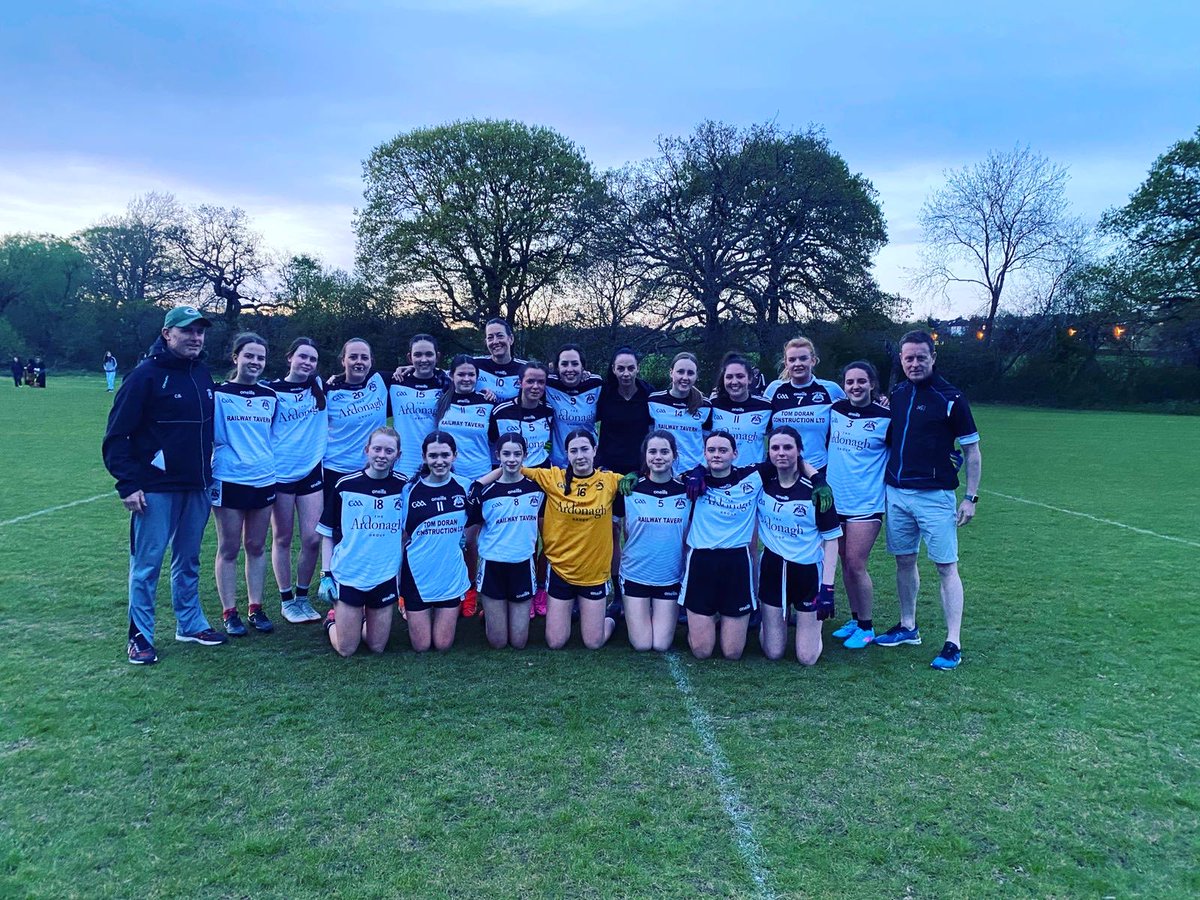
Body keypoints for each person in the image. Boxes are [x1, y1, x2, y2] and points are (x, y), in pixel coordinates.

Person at [102, 304, 228, 664]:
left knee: (188, 560)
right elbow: (116, 437)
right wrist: (128, 484)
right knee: (147, 564)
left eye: (200, 331)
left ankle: (189, 623)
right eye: (187, 331)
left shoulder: (202, 374)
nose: (195, 337)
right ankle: (139, 636)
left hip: (197, 485)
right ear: (167, 334)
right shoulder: (145, 376)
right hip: (155, 489)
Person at [875, 330, 982, 671]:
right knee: (904, 562)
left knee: (945, 566)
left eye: (921, 357)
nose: (915, 363)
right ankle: (908, 626)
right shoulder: (898, 394)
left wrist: (970, 497)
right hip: (897, 492)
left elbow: (972, 451)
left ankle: (953, 642)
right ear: (901, 360)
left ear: (933, 357)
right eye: (909, 358)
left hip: (935, 497)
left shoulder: (951, 397)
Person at [480, 429, 622, 650]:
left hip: (594, 573)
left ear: (595, 450)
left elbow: (645, 482)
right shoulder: (551, 477)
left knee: (593, 643)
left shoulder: (611, 481)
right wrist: (477, 486)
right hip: (560, 570)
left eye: (585, 449)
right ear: (566, 453)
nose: (580, 456)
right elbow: (510, 467)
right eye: (574, 451)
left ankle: (612, 615)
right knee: (555, 642)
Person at [756, 426, 843, 664]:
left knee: (807, 658)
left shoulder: (817, 491)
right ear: (769, 452)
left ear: (799, 451)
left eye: (788, 447)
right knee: (774, 653)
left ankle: (810, 627)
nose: (781, 453)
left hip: (807, 572)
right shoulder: (760, 482)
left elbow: (832, 539)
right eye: (775, 447)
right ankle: (773, 620)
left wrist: (828, 587)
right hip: (773, 569)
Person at [210, 333, 278, 637]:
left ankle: (255, 607)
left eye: (260, 358)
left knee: (256, 545)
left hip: (263, 478)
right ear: (235, 357)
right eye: (249, 355)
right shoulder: (218, 394)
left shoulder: (270, 396)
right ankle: (229, 611)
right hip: (229, 478)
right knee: (229, 547)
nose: (255, 362)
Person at [318, 427, 407, 657]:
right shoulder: (345, 485)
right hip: (349, 574)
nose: (382, 455)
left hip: (384, 576)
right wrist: (326, 574)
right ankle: (332, 621)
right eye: (377, 449)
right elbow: (327, 533)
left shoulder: (404, 487)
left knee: (377, 647)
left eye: (389, 450)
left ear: (398, 455)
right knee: (347, 649)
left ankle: (359, 617)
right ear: (366, 450)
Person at [317, 338, 389, 604]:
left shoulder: (381, 382)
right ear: (343, 360)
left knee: (367, 529)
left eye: (364, 357)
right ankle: (333, 582)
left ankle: (366, 584)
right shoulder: (328, 388)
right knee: (338, 531)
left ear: (371, 362)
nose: (359, 362)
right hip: (336, 470)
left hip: (370, 470)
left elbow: (421, 372)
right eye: (354, 357)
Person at [678, 431, 761, 660]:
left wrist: (817, 480)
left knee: (733, 653)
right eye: (711, 450)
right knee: (702, 652)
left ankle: (727, 617)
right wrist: (697, 470)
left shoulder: (753, 476)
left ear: (735, 454)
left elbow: (792, 461)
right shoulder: (691, 481)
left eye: (723, 450)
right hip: (701, 563)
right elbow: (657, 473)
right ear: (704, 453)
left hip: (736, 563)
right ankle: (704, 623)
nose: (717, 455)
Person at [827, 361, 890, 649]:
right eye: (850, 381)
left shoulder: (886, 418)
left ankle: (867, 626)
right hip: (835, 500)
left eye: (861, 381)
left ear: (872, 384)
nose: (855, 386)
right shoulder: (835, 411)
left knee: (856, 563)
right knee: (845, 564)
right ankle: (855, 618)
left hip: (866, 502)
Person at [267, 337, 327, 624]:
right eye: (302, 357)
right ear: (289, 357)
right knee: (282, 537)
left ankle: (303, 597)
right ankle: (286, 599)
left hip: (311, 472)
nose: (307, 363)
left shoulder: (321, 387)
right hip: (280, 476)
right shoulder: (272, 390)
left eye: (313, 360)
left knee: (313, 538)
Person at [614, 431, 690, 652]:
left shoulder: (687, 492)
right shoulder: (629, 489)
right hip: (635, 575)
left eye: (665, 451)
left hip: (669, 578)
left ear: (674, 456)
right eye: (653, 451)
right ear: (645, 456)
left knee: (660, 644)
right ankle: (613, 615)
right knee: (642, 644)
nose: (659, 457)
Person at [470, 432, 545, 649]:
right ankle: (491, 614)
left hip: (522, 564)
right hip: (493, 565)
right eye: (506, 454)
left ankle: (503, 612)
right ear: (498, 455)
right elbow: (473, 529)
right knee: (498, 643)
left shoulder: (537, 488)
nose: (511, 459)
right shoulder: (484, 492)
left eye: (517, 454)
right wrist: (478, 483)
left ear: (525, 456)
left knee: (519, 642)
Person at [399, 431, 473, 652]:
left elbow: (476, 521)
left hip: (449, 573)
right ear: (424, 457)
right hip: (417, 572)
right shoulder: (409, 490)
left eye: (445, 455)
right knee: (421, 647)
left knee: (442, 645)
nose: (439, 461)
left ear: (454, 456)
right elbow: (402, 536)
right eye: (433, 456)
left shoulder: (466, 486)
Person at [435, 354, 495, 617]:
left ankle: (470, 591)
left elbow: (495, 441)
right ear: (452, 376)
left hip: (478, 481)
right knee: (445, 539)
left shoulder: (487, 403)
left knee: (471, 543)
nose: (467, 378)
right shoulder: (440, 401)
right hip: (446, 480)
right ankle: (445, 589)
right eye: (461, 374)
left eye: (471, 374)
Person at [765, 337, 845, 470]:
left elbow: (855, 409)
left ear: (813, 360)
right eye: (792, 360)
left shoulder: (831, 389)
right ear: (786, 363)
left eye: (803, 358)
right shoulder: (774, 389)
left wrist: (879, 400)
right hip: (782, 470)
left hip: (819, 468)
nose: (797, 364)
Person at [389, 334, 450, 479]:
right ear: (410, 358)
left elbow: (468, 375)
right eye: (418, 355)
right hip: (402, 467)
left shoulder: (448, 385)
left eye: (429, 354)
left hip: (436, 465)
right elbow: (360, 376)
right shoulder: (395, 382)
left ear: (437, 356)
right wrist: (337, 378)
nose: (423, 359)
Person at [648, 351, 713, 474]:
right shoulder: (654, 401)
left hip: (694, 474)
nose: (685, 377)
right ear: (671, 372)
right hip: (662, 471)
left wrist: (701, 471)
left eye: (690, 373)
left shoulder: (705, 405)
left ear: (696, 376)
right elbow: (649, 438)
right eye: (680, 372)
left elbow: (706, 443)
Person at [595, 347, 653, 476]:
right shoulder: (604, 393)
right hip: (607, 468)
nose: (626, 373)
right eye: (621, 368)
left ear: (638, 368)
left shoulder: (648, 394)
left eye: (631, 368)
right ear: (613, 369)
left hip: (640, 468)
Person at [545, 344, 604, 467]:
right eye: (564, 364)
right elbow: (531, 373)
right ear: (557, 367)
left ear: (583, 366)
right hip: (558, 463)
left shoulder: (596, 384)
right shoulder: (548, 384)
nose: (570, 369)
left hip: (589, 461)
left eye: (575, 364)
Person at [710, 352, 774, 465]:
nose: (734, 382)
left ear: (750, 379)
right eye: (729, 377)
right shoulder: (713, 405)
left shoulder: (765, 407)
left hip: (753, 478)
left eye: (740, 376)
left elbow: (775, 443)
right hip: (718, 477)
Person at [490, 360, 554, 468]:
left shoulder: (549, 410)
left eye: (541, 382)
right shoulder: (501, 412)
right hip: (512, 473)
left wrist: (545, 453)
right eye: (530, 381)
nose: (535, 386)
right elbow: (492, 442)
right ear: (520, 383)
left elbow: (549, 441)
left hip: (542, 473)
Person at [473, 318, 526, 403]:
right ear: (486, 342)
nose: (495, 341)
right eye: (490, 338)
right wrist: (477, 394)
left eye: (500, 336)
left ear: (511, 339)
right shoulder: (474, 364)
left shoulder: (525, 368)